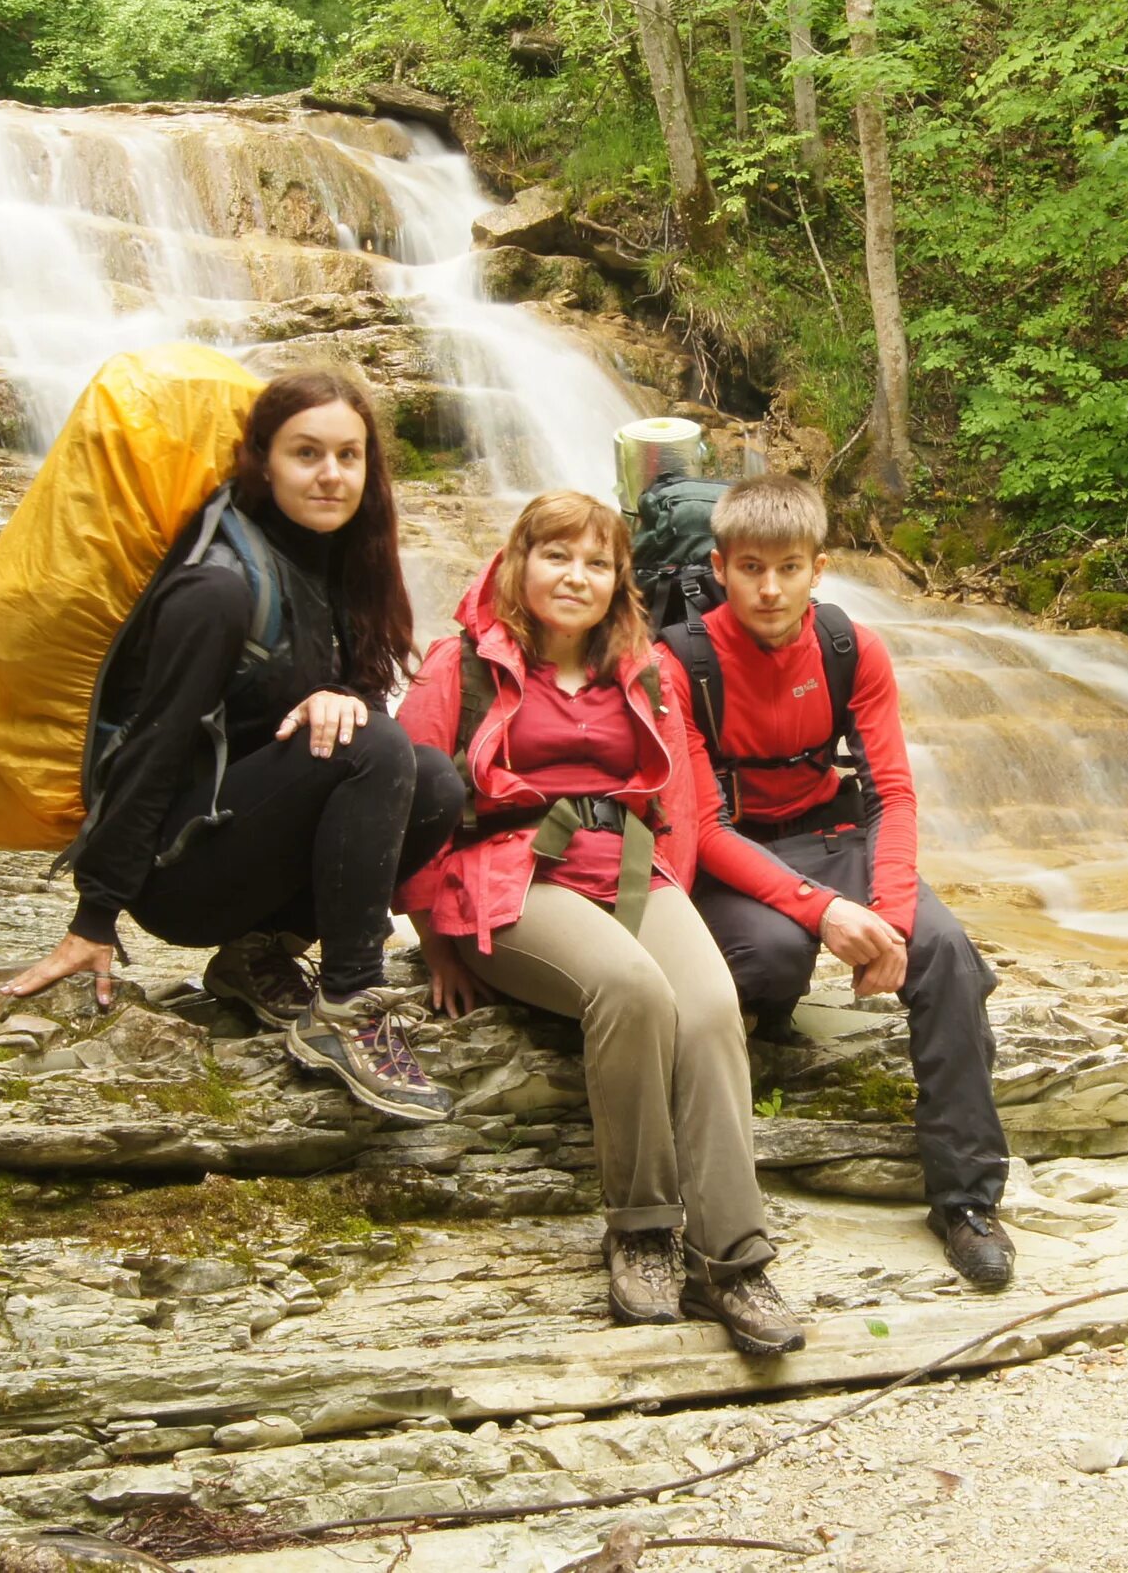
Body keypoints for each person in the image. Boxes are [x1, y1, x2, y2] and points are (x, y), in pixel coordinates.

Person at [0, 366, 463, 1125]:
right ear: (262, 461)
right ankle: (347, 1007)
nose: (330, 475)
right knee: (373, 745)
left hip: (246, 844)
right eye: (306, 454)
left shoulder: (341, 567)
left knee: (435, 779)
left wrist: (339, 699)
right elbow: (149, 748)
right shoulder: (216, 590)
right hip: (179, 875)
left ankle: (258, 954)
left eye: (349, 457)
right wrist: (96, 917)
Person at [398, 491, 804, 1355]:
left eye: (596, 561)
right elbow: (410, 799)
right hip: (509, 878)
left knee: (708, 1004)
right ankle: (642, 1229)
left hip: (627, 867)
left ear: (621, 577)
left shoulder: (644, 667)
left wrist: (673, 901)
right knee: (629, 990)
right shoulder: (461, 666)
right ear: (519, 562)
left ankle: (732, 1258)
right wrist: (432, 935)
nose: (574, 576)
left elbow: (678, 806)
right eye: (556, 555)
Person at [670, 475, 1016, 1290]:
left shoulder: (849, 647)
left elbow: (892, 792)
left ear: (818, 568)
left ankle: (966, 1202)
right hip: (737, 852)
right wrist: (822, 913)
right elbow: (704, 830)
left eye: (788, 567)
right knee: (773, 957)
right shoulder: (678, 663)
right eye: (750, 567)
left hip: (835, 832)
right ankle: (767, 1030)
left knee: (946, 954)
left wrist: (888, 918)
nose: (769, 587)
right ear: (719, 568)